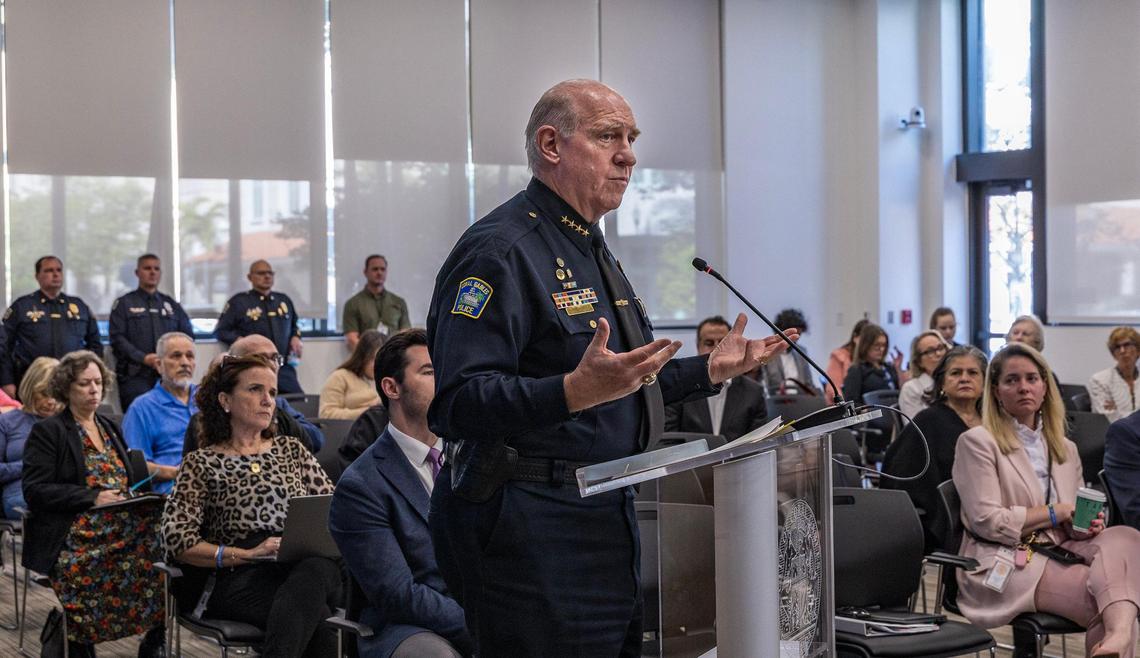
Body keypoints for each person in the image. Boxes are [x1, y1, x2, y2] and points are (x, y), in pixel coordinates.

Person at [426, 79, 794, 656]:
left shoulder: (589, 248)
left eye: (631, 139)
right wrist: (570, 393)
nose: (629, 155)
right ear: (551, 145)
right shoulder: (501, 251)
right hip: (530, 525)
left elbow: (620, 382)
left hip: (607, 510)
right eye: (608, 137)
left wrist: (709, 371)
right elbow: (457, 404)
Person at [953, 342, 1140, 658]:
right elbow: (987, 522)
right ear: (996, 391)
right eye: (1012, 380)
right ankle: (1119, 637)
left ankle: (1117, 638)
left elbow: (1073, 521)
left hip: (1059, 547)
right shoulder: (977, 442)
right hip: (1004, 557)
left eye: (1032, 378)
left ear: (1045, 388)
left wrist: (1085, 525)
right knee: (1111, 599)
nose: (1023, 387)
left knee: (1127, 536)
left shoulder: (1065, 447)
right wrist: (1055, 512)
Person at [162, 354, 340, 657]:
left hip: (299, 567)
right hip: (237, 577)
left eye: (272, 392)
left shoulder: (291, 450)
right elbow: (176, 540)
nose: (268, 401)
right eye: (255, 389)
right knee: (320, 622)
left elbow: (331, 509)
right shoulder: (201, 463)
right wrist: (247, 554)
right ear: (225, 400)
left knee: (318, 568)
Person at [330, 329, 470, 657]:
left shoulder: (472, 456)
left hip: (484, 610)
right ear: (392, 388)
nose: (445, 379)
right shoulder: (361, 486)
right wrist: (481, 623)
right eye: (429, 372)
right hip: (410, 627)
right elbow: (398, 595)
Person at [22, 350, 165, 657]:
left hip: (120, 522)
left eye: (98, 382)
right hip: (76, 529)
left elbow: (127, 478)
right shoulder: (49, 430)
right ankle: (77, 637)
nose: (93, 390)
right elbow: (34, 490)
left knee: (164, 547)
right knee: (105, 562)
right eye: (84, 383)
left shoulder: (109, 426)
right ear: (66, 387)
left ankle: (155, 637)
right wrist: (92, 497)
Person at [881, 345, 986, 549]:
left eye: (973, 373)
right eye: (956, 373)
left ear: (984, 382)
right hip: (952, 522)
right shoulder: (928, 421)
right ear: (942, 382)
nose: (964, 378)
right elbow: (901, 479)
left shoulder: (993, 421)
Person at [182, 334, 324, 454]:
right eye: (261, 358)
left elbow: (315, 440)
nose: (272, 365)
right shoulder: (202, 423)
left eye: (275, 358)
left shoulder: (279, 407)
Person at [1, 256, 101, 399]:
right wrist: (6, 381)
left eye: (59, 270)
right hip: (32, 380)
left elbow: (95, 344)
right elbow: (4, 347)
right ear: (37, 276)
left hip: (72, 381)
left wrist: (93, 377)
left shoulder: (78, 306)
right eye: (49, 270)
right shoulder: (22, 306)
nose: (55, 274)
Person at [110, 254, 195, 410]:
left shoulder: (170, 304)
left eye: (156, 269)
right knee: (139, 416)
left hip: (168, 376)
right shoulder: (124, 303)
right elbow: (117, 338)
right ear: (137, 273)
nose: (152, 272)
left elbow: (187, 336)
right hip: (136, 376)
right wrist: (143, 358)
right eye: (147, 268)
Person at [665, 316, 768, 441]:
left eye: (722, 343)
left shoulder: (754, 392)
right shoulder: (679, 388)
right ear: (698, 346)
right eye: (709, 343)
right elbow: (669, 439)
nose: (716, 349)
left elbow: (759, 443)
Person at [121, 332, 197, 494]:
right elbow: (135, 467)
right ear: (158, 364)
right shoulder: (142, 408)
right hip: (174, 490)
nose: (185, 362)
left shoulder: (208, 399)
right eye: (176, 356)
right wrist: (178, 472)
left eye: (190, 356)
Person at [215, 259, 304, 394]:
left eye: (270, 273)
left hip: (282, 368)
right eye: (261, 273)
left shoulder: (283, 300)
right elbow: (221, 331)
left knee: (299, 400)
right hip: (253, 368)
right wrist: (241, 341)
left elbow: (295, 325)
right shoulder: (239, 302)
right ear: (250, 277)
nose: (267, 276)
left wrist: (296, 337)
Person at [0, 357, 59, 519]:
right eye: (44, 394)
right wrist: (29, 464)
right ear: (30, 388)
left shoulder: (69, 422)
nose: (51, 401)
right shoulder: (7, 421)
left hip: (63, 491)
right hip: (21, 494)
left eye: (56, 394)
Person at [342, 255, 411, 350]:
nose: (379, 273)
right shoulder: (352, 304)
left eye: (383, 269)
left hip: (394, 356)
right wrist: (370, 356)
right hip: (367, 357)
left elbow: (405, 335)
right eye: (375, 269)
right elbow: (352, 339)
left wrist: (395, 355)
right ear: (365, 272)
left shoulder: (399, 302)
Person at [319, 329, 384, 420]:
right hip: (351, 427)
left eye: (382, 360)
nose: (378, 365)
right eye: (373, 358)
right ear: (362, 356)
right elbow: (326, 414)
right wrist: (369, 412)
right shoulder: (340, 377)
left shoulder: (388, 379)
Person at [1088, 326, 1140, 422]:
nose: (1122, 351)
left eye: (1127, 345)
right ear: (1113, 354)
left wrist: (1118, 411)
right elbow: (1108, 418)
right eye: (1117, 347)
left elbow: (1117, 416)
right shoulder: (1099, 380)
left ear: (1138, 350)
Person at [759, 308, 817, 395]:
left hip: (800, 399)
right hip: (776, 399)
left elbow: (809, 384)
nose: (796, 339)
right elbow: (764, 384)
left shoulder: (802, 352)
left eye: (799, 335)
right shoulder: (767, 352)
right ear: (782, 331)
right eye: (793, 335)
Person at [898, 330, 949, 419]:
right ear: (919, 362)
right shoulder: (911, 389)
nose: (938, 354)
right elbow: (913, 425)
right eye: (930, 351)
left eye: (940, 348)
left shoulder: (953, 382)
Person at [825, 319, 869, 404]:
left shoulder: (871, 360)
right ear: (855, 337)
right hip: (845, 405)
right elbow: (833, 387)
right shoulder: (839, 356)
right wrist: (846, 406)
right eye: (865, 339)